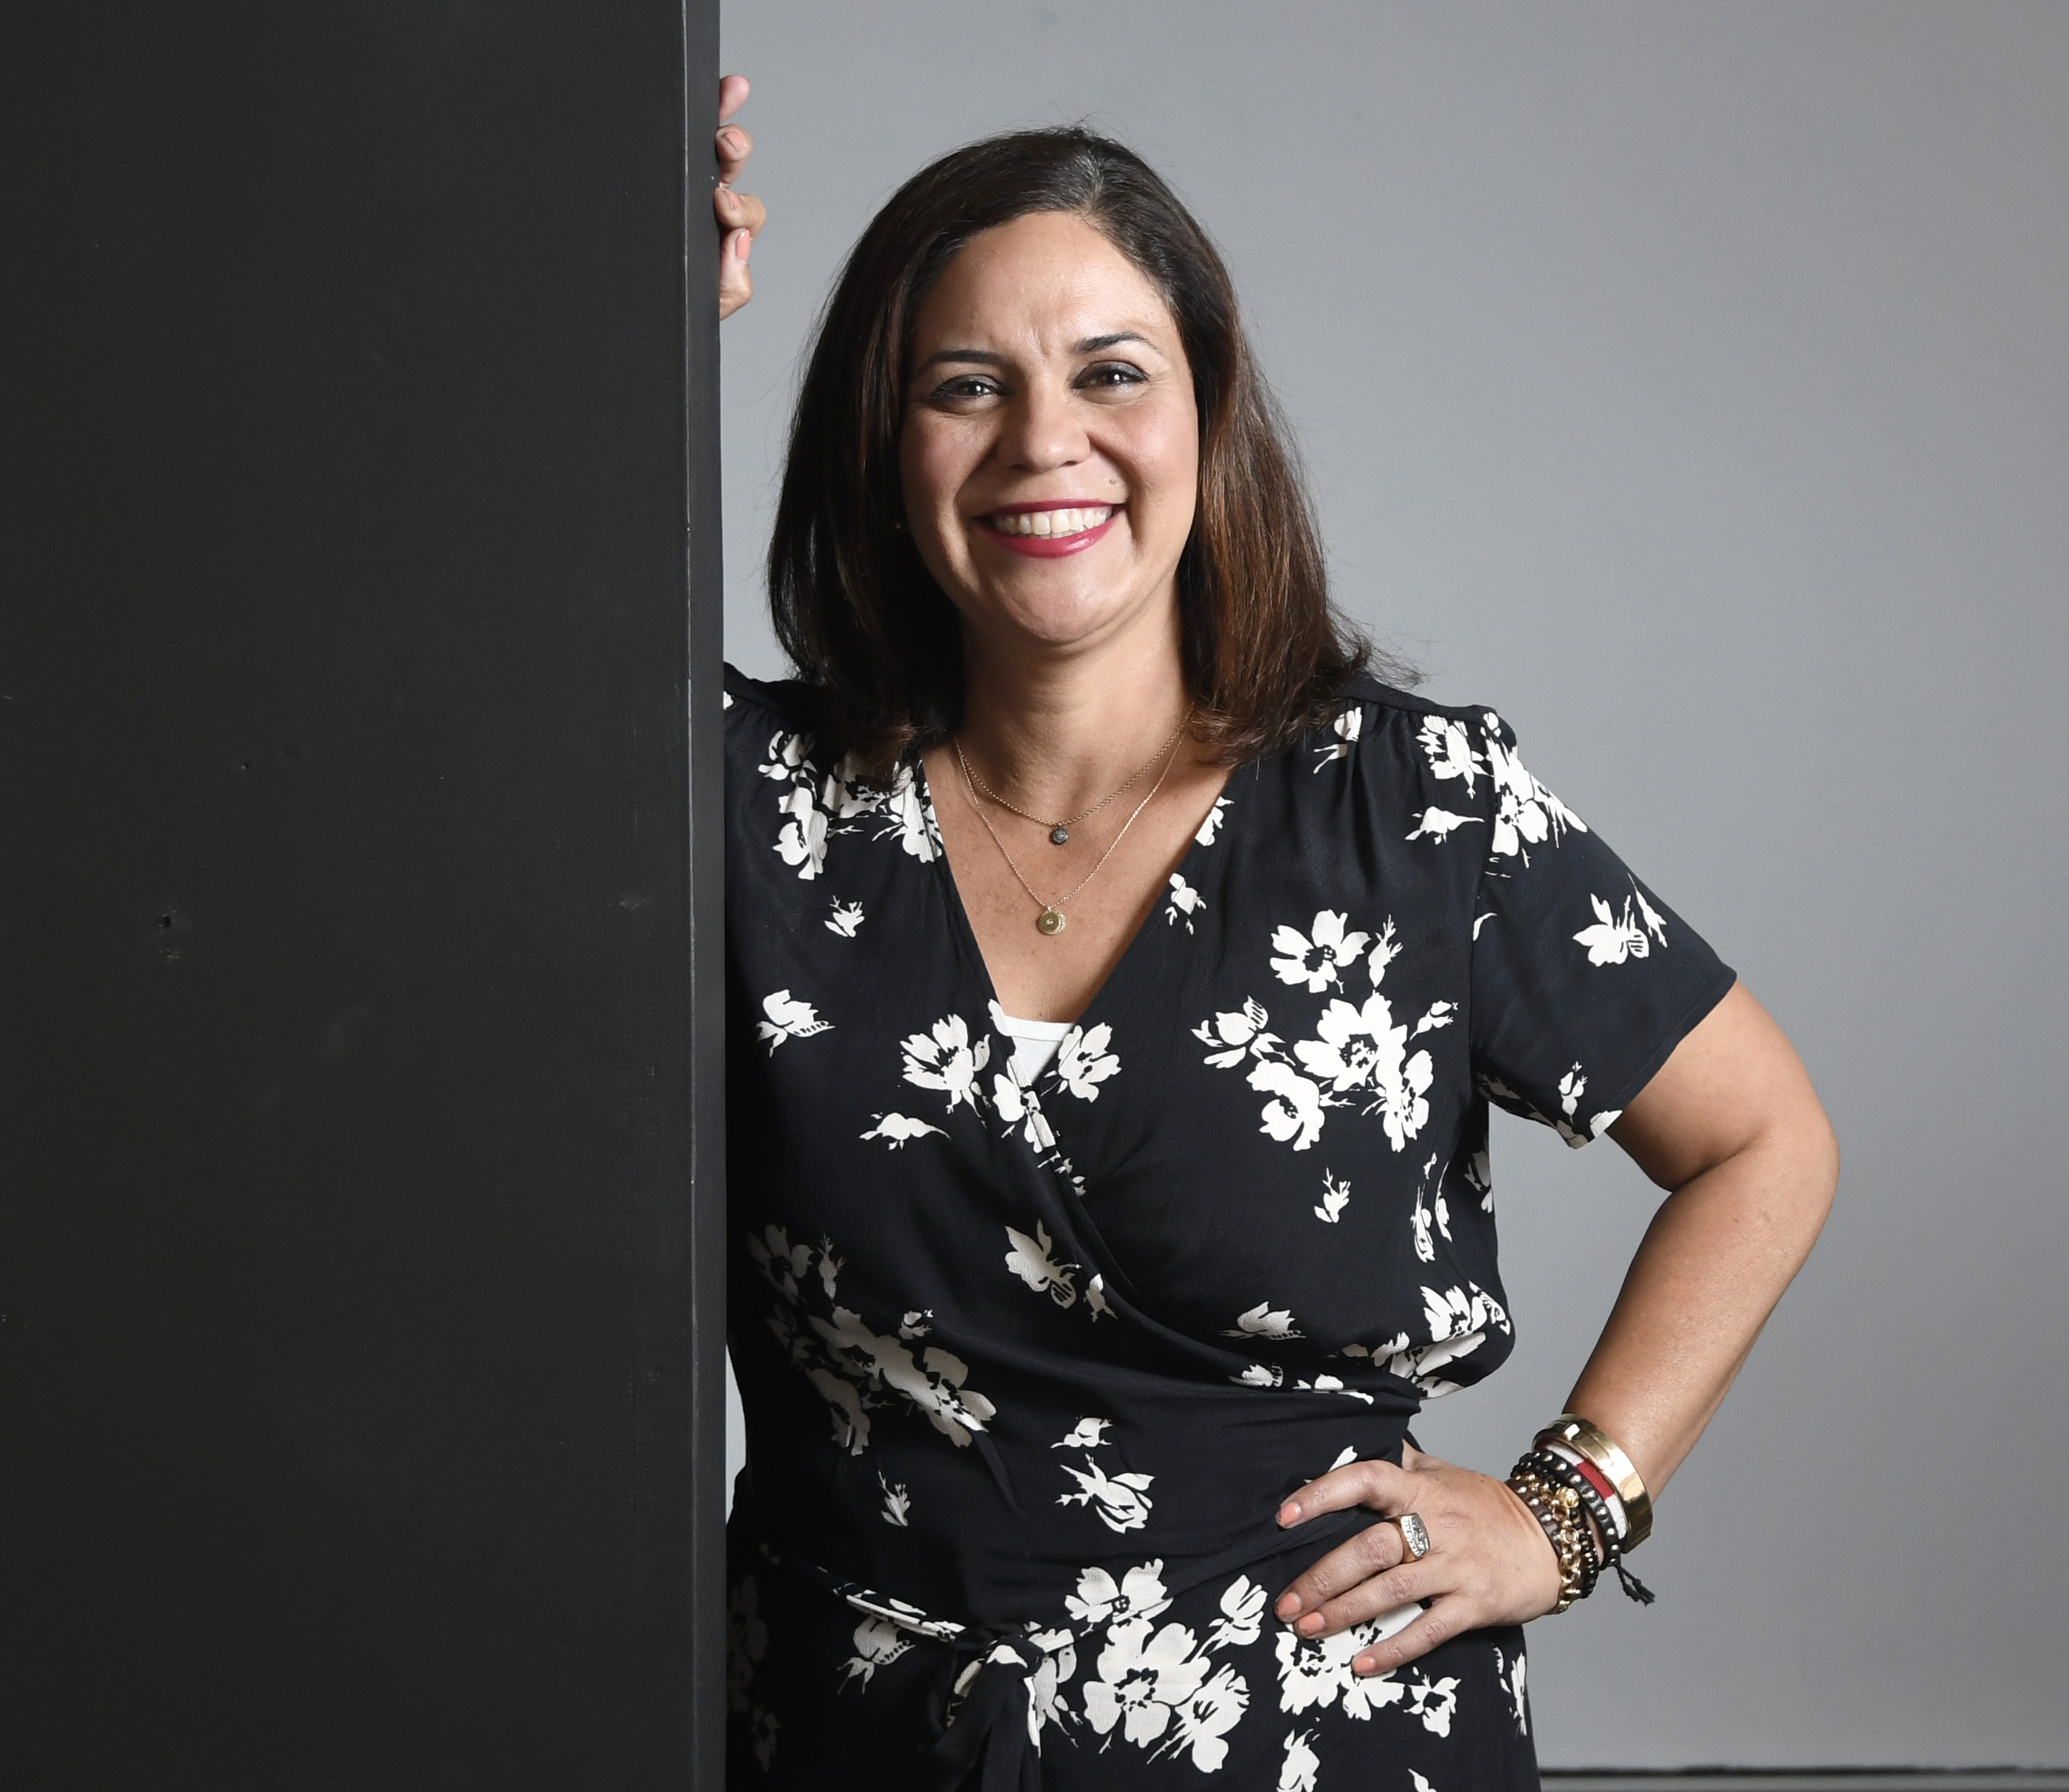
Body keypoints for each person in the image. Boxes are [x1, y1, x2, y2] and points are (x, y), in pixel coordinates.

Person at [710, 78, 1837, 1791]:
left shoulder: (1410, 811)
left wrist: (1570, 1507)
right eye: (964, 386)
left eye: (1109, 373)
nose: (1042, 442)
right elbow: (428, 673)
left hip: (1320, 1736)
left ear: (1205, 412)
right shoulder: (734, 798)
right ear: (881, 442)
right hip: (846, 1739)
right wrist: (617, 328)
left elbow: (1764, 1139)